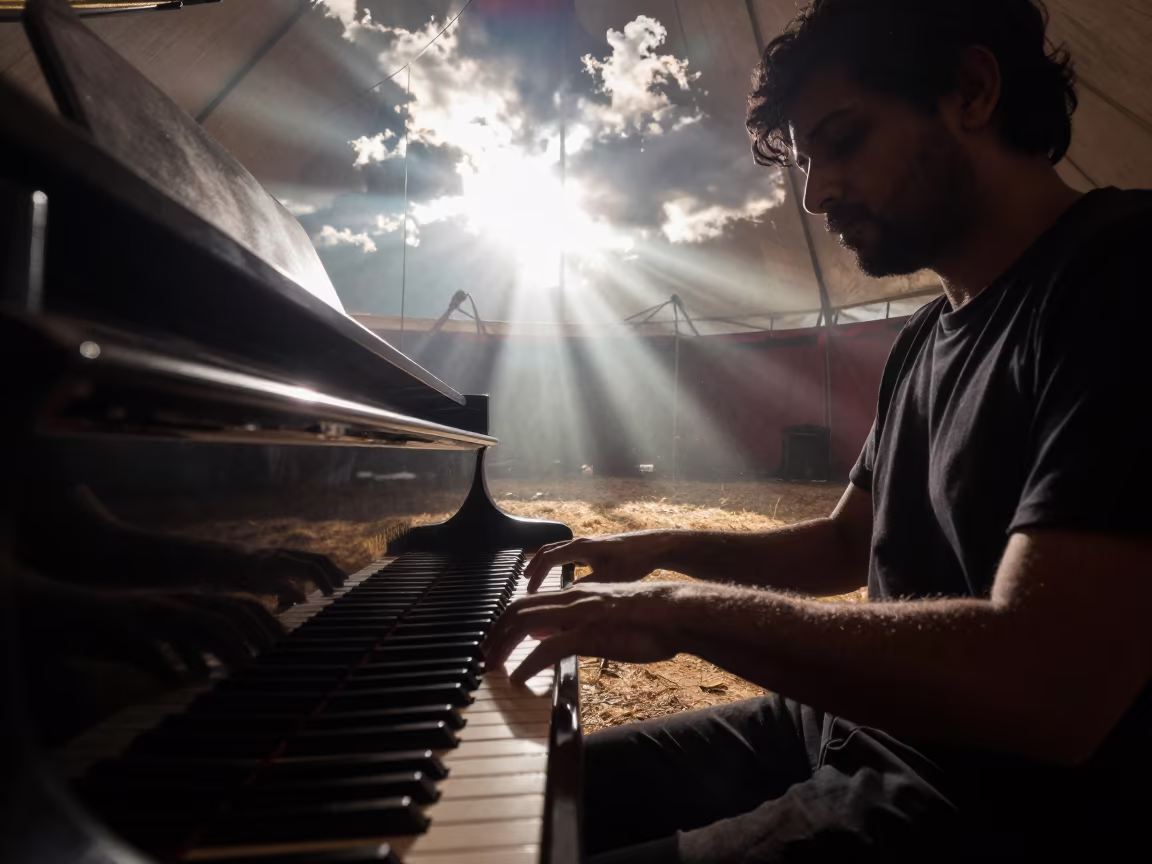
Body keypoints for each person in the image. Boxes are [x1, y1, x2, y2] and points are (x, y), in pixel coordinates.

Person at [484, 1, 1152, 861]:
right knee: (519, 805)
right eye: (804, 163)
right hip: (849, 726)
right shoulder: (924, 336)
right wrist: (661, 547)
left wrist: (681, 614)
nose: (814, 193)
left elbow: (1049, 687)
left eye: (842, 141)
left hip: (983, 798)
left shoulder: (1120, 278)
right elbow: (845, 545)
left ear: (973, 91)